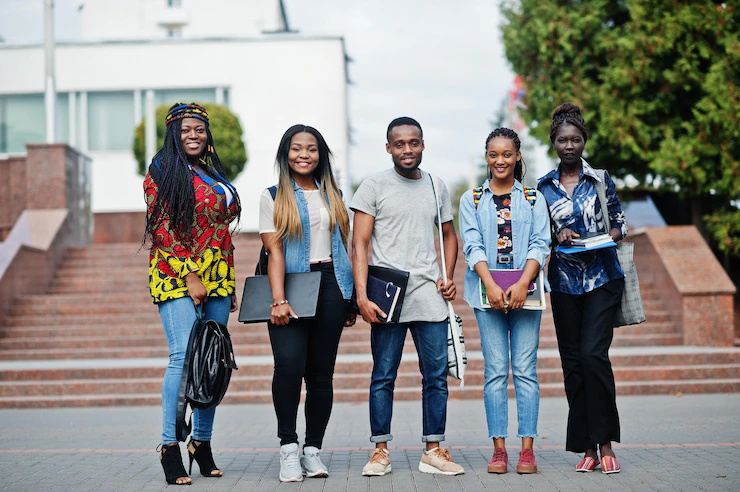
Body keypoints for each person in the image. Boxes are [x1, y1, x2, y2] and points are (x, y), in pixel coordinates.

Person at [352, 116, 464, 477]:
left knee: (436, 376)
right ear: (388, 148)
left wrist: (447, 276)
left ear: (423, 144)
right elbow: (360, 243)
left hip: (429, 296)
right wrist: (361, 296)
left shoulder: (435, 185)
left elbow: (449, 235)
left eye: (413, 143)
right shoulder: (373, 186)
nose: (407, 150)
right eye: (399, 144)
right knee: (384, 374)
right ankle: (380, 451)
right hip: (388, 298)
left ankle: (433, 449)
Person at [144, 102, 241, 485]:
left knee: (211, 362)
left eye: (199, 129)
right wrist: (191, 276)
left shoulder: (212, 172)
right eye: (186, 129)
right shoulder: (162, 171)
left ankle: (201, 442)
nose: (194, 135)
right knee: (184, 356)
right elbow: (162, 228)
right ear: (173, 133)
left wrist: (226, 283)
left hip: (218, 276)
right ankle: (170, 446)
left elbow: (220, 232)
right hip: (175, 273)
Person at [259, 124, 356, 482]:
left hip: (331, 284)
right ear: (286, 154)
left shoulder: (334, 193)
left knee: (321, 374)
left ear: (321, 154)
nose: (304, 155)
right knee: (287, 367)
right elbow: (274, 251)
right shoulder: (272, 196)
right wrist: (279, 299)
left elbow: (345, 247)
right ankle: (288, 448)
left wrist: (351, 299)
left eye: (312, 149)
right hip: (292, 286)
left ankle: (312, 451)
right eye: (297, 148)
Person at [537, 103, 628, 474]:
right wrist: (558, 234)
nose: (569, 146)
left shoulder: (601, 179)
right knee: (573, 364)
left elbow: (620, 220)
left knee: (593, 355)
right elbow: (539, 236)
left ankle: (606, 443)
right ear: (554, 143)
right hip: (563, 282)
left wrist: (608, 236)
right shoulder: (543, 187)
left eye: (575, 139)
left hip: (602, 277)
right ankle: (587, 447)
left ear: (584, 140)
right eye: (563, 140)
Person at [459, 128, 551, 474]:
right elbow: (472, 244)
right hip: (488, 295)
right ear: (487, 157)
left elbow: (541, 243)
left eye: (507, 154)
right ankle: (499, 449)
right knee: (496, 372)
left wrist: (524, 282)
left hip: (526, 292)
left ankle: (527, 449)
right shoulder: (472, 199)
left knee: (525, 371)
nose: (501, 161)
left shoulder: (532, 197)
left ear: (517, 157)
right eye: (494, 155)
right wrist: (491, 284)